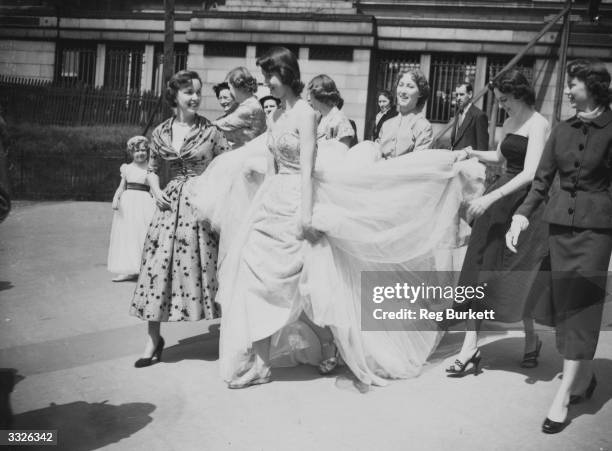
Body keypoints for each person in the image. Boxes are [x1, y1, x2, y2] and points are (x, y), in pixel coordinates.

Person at [202, 47, 486, 389]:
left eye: (271, 77)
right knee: (254, 278)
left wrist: (306, 215)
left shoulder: (307, 114)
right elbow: (274, 163)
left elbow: (306, 169)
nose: (267, 84)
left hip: (298, 202)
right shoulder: (274, 115)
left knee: (305, 282)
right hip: (271, 202)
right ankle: (262, 360)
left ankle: (323, 347)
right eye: (264, 78)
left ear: (288, 74)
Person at [506, 59, 612, 434]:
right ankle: (583, 380)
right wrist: (521, 215)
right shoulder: (563, 130)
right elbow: (541, 179)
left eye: (574, 84)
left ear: (593, 86)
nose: (568, 90)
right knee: (566, 305)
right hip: (559, 230)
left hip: (597, 233)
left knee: (582, 307)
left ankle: (564, 395)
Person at [446, 70, 550, 376]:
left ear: (518, 94)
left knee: (518, 275)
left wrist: (488, 199)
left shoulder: (539, 123)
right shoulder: (509, 122)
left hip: (524, 206)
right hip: (497, 201)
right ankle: (470, 347)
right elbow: (502, 157)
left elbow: (530, 172)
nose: (501, 105)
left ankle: (532, 339)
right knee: (480, 269)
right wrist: (472, 152)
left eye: (504, 99)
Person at [129, 70, 229, 368]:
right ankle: (153, 338)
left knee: (208, 269)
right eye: (189, 92)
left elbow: (225, 167)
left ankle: (229, 336)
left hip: (201, 207)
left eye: (198, 91)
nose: (196, 97)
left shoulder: (211, 131)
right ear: (175, 96)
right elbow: (151, 168)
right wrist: (156, 187)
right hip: (168, 205)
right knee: (155, 267)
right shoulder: (160, 132)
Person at [107, 136, 156, 282]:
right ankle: (127, 269)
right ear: (131, 153)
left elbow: (154, 188)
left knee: (142, 233)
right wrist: (116, 198)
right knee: (127, 234)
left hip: (145, 203)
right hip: (128, 204)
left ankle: (144, 269)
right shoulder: (127, 168)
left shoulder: (150, 168)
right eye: (136, 151)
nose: (140, 153)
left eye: (143, 150)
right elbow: (121, 187)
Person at [378, 70, 433, 158]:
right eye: (401, 85)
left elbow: (418, 163)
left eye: (410, 86)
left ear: (420, 93)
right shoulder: (386, 124)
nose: (403, 91)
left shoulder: (423, 127)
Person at [213, 67, 267, 150]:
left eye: (230, 87)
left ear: (237, 87)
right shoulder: (250, 103)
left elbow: (221, 124)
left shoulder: (248, 108)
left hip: (248, 152)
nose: (230, 91)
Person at [307, 74, 355, 148]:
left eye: (311, 95)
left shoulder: (340, 119)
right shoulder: (320, 118)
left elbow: (343, 152)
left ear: (319, 96)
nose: (309, 100)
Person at [450, 83, 489, 151]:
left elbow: (482, 147)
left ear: (470, 94)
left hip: (469, 160)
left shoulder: (479, 115)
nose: (458, 98)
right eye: (457, 95)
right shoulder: (458, 113)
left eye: (461, 94)